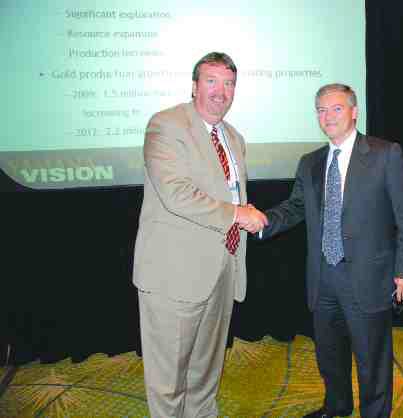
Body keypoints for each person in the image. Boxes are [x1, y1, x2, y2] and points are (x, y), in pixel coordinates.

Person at [259, 84, 403, 418]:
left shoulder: (384, 154)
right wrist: (261, 222)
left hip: (368, 277)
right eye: (321, 109)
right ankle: (337, 406)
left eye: (336, 108)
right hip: (323, 278)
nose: (327, 116)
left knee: (371, 360)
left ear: (354, 111)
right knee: (330, 356)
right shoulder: (310, 163)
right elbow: (294, 208)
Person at [132, 52, 267, 418]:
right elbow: (176, 194)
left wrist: (243, 212)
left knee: (206, 370)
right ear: (194, 87)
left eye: (228, 83)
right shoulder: (166, 125)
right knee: (169, 378)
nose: (220, 91)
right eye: (211, 81)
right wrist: (238, 213)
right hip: (174, 273)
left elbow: (229, 193)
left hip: (222, 270)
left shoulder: (234, 137)